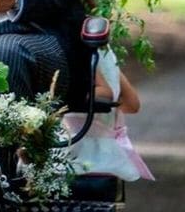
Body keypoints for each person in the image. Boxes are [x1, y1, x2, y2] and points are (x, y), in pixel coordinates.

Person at [64, 48, 154, 180]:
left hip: (75, 149)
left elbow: (108, 93)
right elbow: (132, 104)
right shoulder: (106, 55)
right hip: (108, 151)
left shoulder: (75, 51)